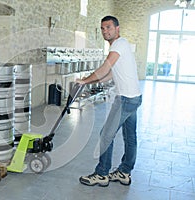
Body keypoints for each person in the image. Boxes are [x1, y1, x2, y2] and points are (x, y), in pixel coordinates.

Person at [76, 15, 142, 187]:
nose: (105, 31)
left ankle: (102, 173)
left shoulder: (119, 44)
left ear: (117, 28)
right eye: (103, 29)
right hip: (134, 97)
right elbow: (111, 74)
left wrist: (84, 81)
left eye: (108, 27)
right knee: (130, 137)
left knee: (105, 135)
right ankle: (124, 172)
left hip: (126, 99)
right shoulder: (121, 46)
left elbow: (105, 67)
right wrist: (92, 80)